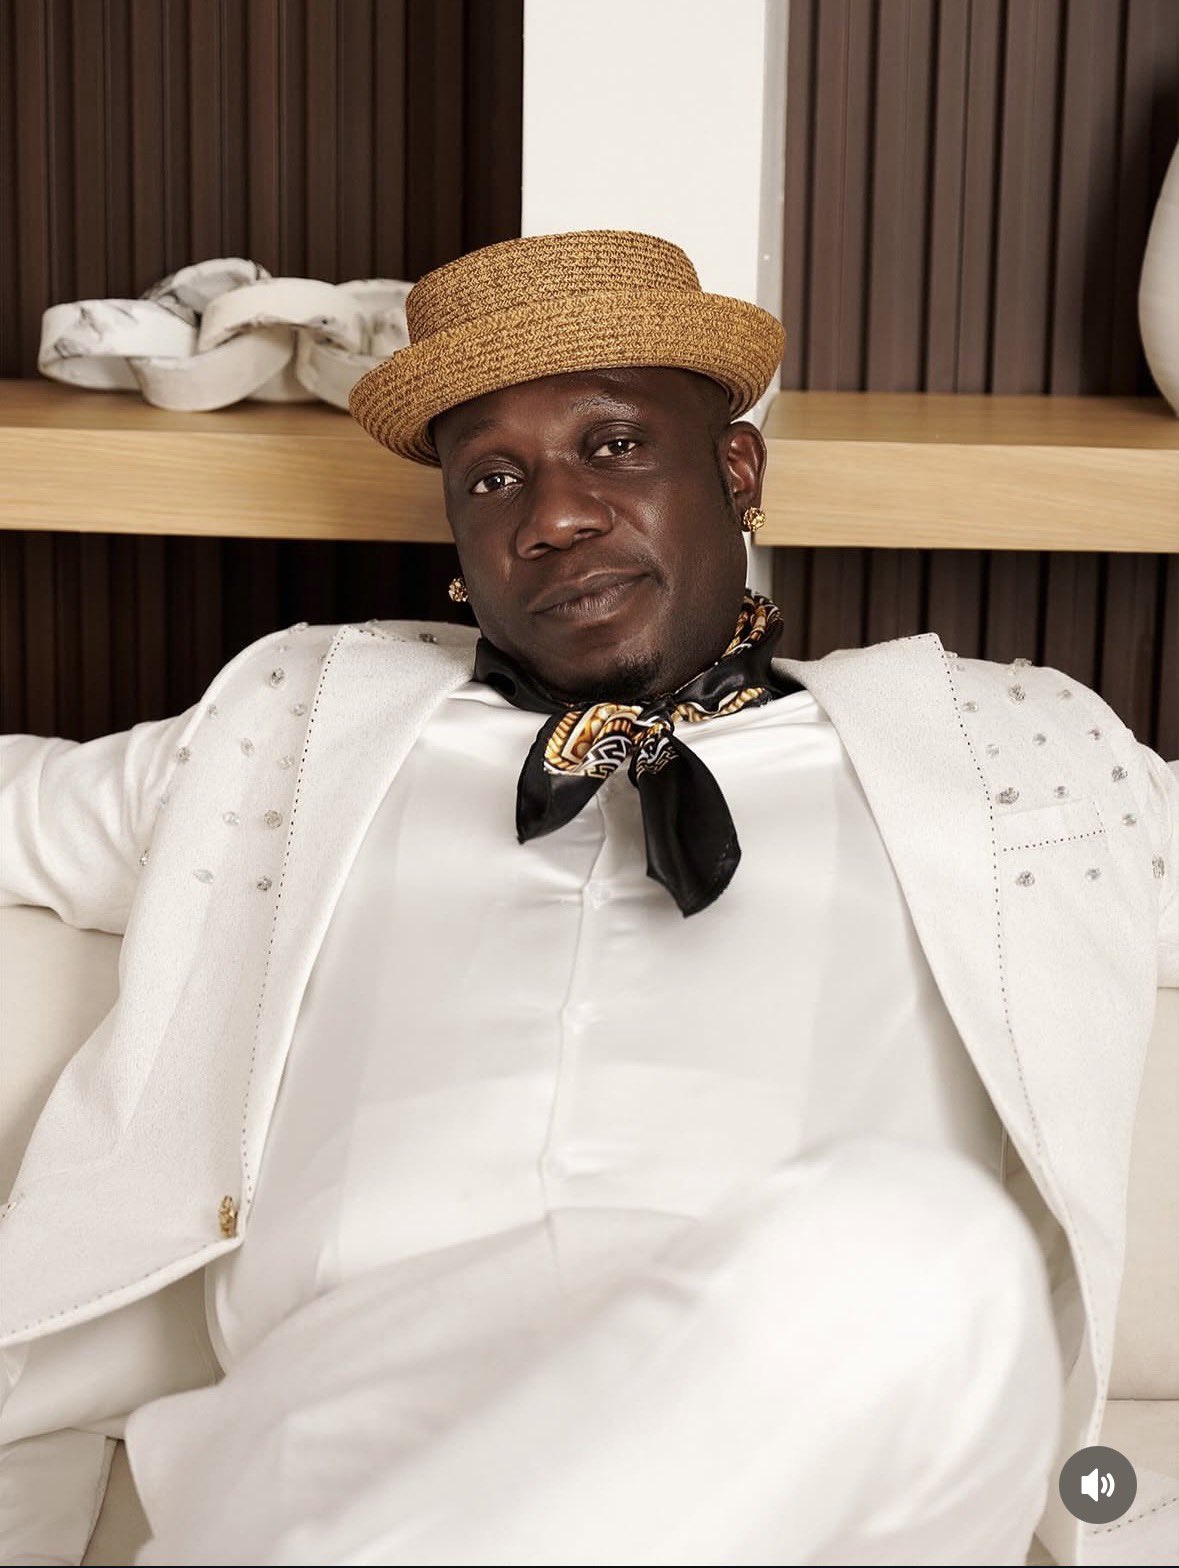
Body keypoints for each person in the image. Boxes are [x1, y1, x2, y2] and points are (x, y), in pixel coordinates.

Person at [0, 230, 1175, 1567]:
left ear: (739, 471)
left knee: (931, 1254)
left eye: (614, 446)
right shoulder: (290, 734)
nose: (552, 517)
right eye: (493, 478)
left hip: (821, 1429)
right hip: (358, 1408)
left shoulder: (1013, 758)